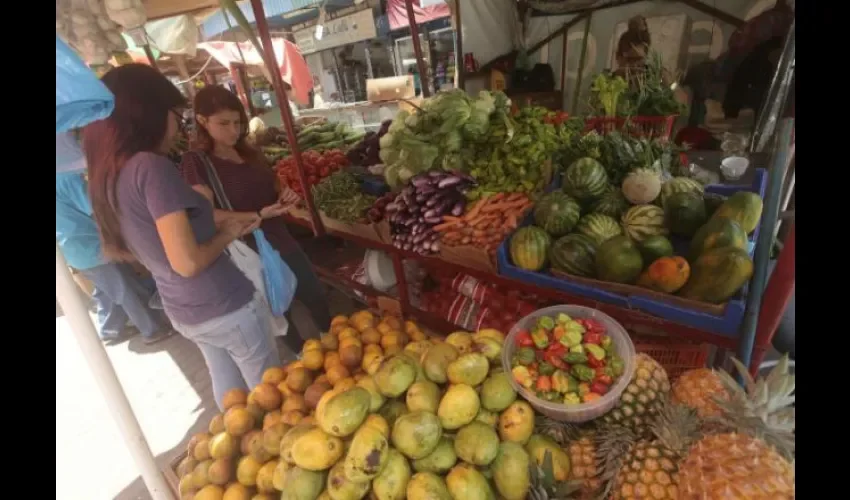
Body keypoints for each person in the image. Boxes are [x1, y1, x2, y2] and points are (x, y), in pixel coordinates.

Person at [81, 64, 280, 410]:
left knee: (231, 394)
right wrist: (227, 233)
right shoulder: (149, 167)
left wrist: (219, 223)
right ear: (150, 113)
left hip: (185, 309)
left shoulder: (111, 174)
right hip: (224, 304)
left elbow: (161, 242)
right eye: (177, 115)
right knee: (273, 395)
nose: (178, 125)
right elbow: (187, 261)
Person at [178, 85, 332, 354]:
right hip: (247, 246)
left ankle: (333, 339)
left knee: (314, 292)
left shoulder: (248, 152)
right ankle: (302, 356)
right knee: (277, 307)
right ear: (202, 121)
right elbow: (206, 215)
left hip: (280, 237)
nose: (233, 130)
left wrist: (285, 193)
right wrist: (257, 215)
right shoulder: (197, 162)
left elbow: (272, 183)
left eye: (237, 122)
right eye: (223, 123)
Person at [56, 134, 173, 345]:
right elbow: (95, 209)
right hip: (92, 246)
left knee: (107, 288)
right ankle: (152, 330)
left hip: (75, 249)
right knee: (124, 289)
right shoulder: (69, 178)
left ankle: (110, 330)